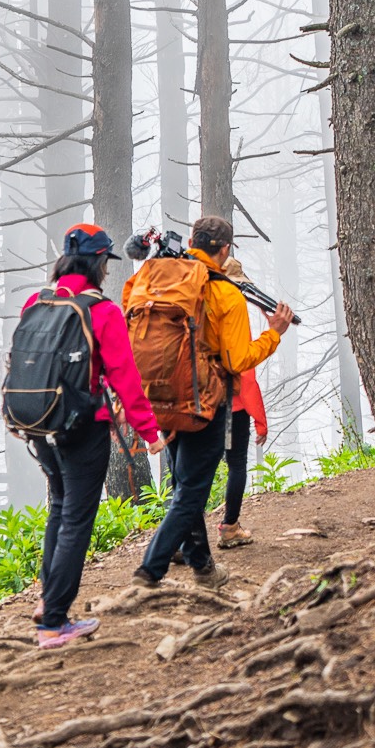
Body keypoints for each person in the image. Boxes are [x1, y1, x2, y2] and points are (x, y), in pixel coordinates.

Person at [126, 215, 291, 594]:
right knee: (193, 490)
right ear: (226, 250)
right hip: (204, 402)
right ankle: (151, 568)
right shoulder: (226, 293)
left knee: (184, 482)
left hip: (159, 393)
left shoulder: (152, 279)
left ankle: (202, 565)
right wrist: (273, 335)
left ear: (192, 241)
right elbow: (236, 361)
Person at [21, 224, 166, 650]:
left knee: (60, 508)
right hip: (83, 428)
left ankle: (48, 597)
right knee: (76, 521)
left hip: (39, 424)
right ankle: (53, 622)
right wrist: (150, 433)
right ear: (99, 263)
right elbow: (125, 377)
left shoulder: (37, 301)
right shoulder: (101, 312)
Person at [219, 368, 267, 549]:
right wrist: (260, 422)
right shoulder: (235, 338)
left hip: (202, 408)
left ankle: (186, 534)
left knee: (199, 471)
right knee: (237, 464)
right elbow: (246, 379)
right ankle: (230, 527)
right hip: (233, 410)